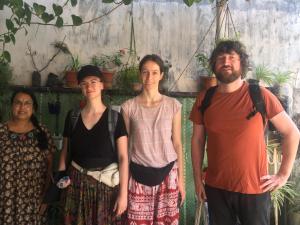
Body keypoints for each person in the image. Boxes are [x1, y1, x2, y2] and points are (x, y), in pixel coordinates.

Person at [190, 40, 300, 225]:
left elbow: (292, 132)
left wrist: (283, 174)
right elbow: (197, 141)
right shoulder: (205, 98)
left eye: (232, 58)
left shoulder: (259, 95)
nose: (226, 62)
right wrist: (197, 180)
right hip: (216, 188)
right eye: (220, 58)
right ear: (214, 65)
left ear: (242, 64)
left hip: (254, 189)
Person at [57, 65, 128, 225]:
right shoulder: (73, 116)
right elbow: (65, 150)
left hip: (106, 189)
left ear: (102, 85)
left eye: (94, 82)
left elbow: (124, 157)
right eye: (84, 83)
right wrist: (60, 178)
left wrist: (123, 194)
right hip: (76, 185)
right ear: (80, 87)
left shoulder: (115, 118)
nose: (89, 87)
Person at [121, 54, 185, 224]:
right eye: (145, 72)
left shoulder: (173, 105)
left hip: (168, 175)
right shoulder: (128, 107)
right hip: (137, 176)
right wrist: (123, 184)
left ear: (161, 75)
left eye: (155, 72)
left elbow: (177, 144)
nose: (150, 77)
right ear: (140, 74)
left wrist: (182, 182)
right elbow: (125, 148)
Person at [0, 89, 55, 225]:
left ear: (33, 108)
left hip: (33, 200)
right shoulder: (1, 131)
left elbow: (49, 169)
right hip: (4, 200)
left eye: (27, 103)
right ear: (12, 106)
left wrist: (45, 198)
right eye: (18, 103)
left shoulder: (42, 132)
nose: (22, 107)